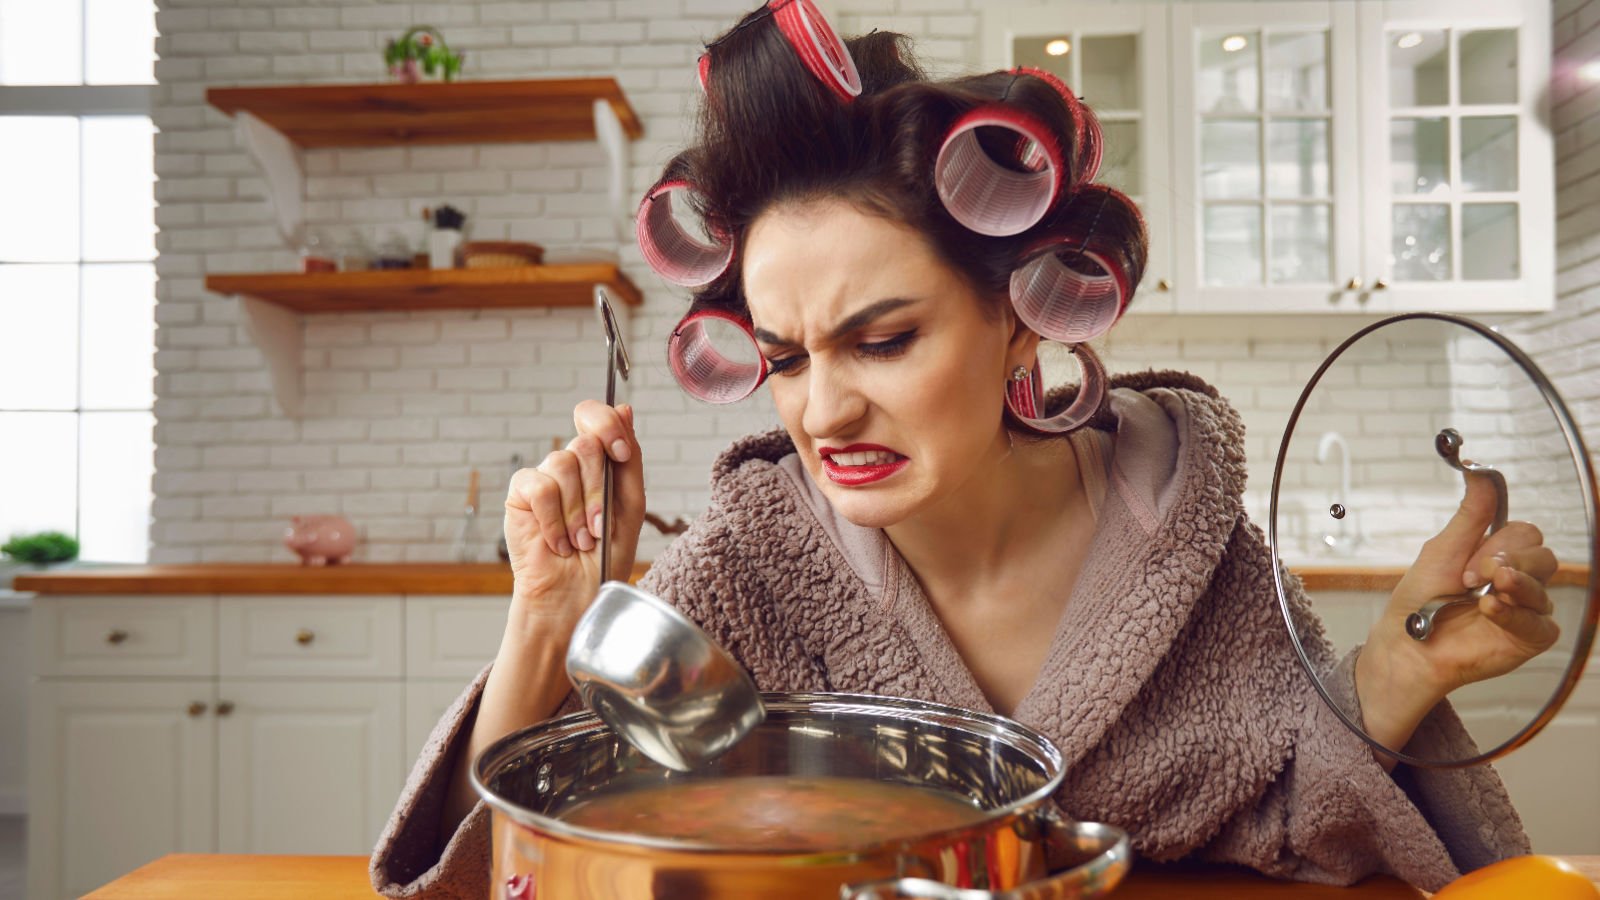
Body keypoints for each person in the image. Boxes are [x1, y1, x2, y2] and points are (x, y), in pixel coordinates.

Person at [370, 5, 1559, 898]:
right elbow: (516, 877)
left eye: (880, 340)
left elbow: (1298, 809)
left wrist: (1398, 680)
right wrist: (543, 618)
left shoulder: (1184, 539)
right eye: (783, 357)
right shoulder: (744, 568)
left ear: (1019, 316)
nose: (820, 413)